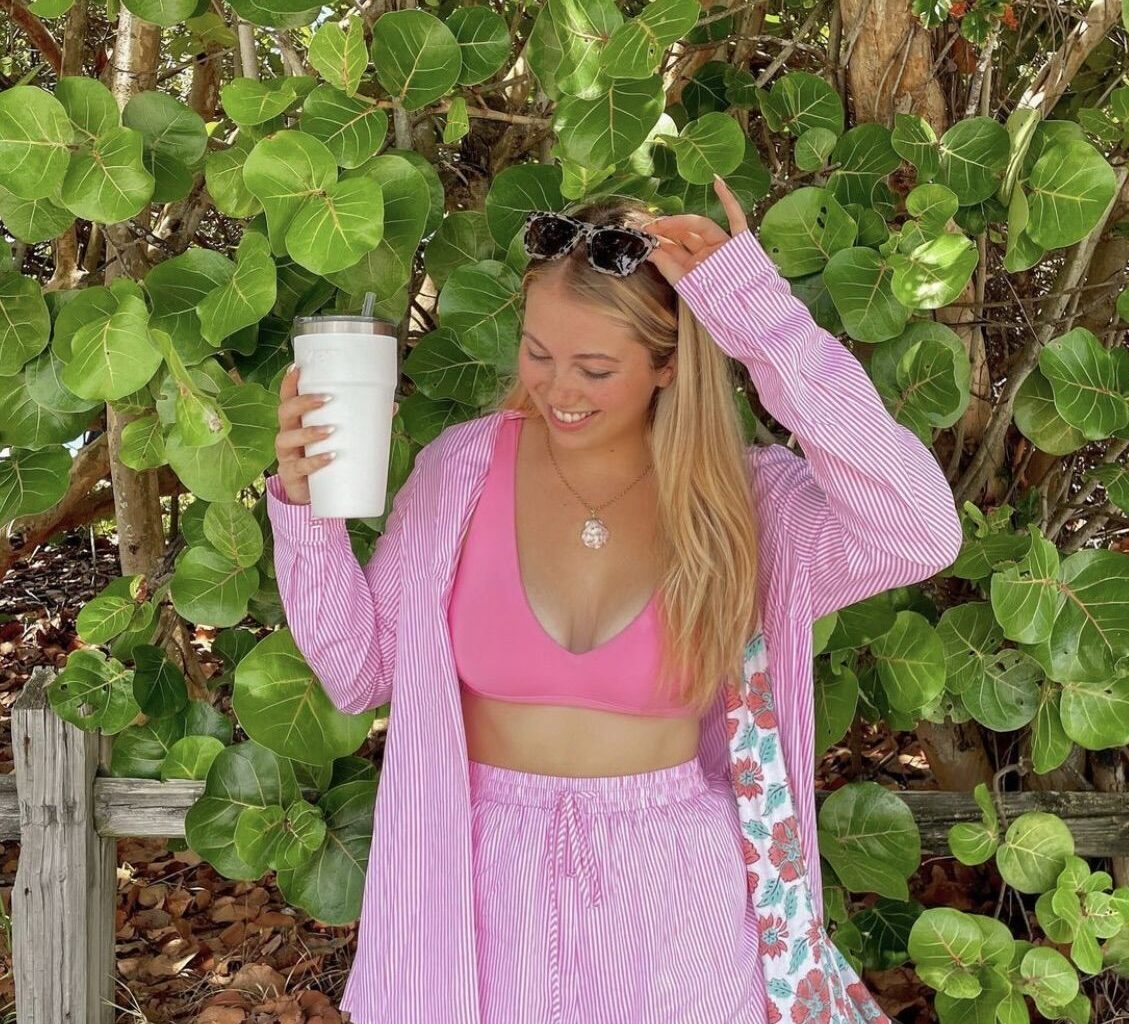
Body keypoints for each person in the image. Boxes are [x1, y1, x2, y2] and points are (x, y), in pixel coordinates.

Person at [266, 179, 963, 1024]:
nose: (557, 389)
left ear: (668, 364)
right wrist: (307, 511)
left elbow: (917, 532)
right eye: (538, 353)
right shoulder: (462, 472)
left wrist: (762, 322)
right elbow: (358, 673)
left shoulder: (740, 504)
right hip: (475, 887)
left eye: (595, 368)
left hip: (674, 900)